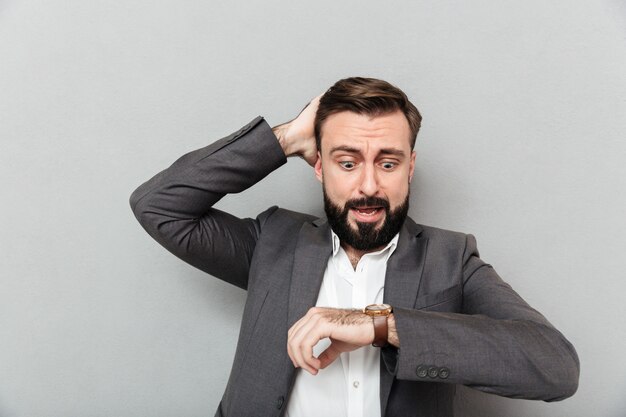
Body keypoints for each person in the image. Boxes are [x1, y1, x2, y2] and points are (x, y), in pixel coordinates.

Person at [129, 77, 579, 417]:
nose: (368, 185)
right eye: (347, 162)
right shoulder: (272, 242)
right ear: (319, 166)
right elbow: (159, 206)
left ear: (410, 168)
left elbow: (555, 367)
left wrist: (380, 325)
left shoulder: (451, 259)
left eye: (388, 162)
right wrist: (284, 139)